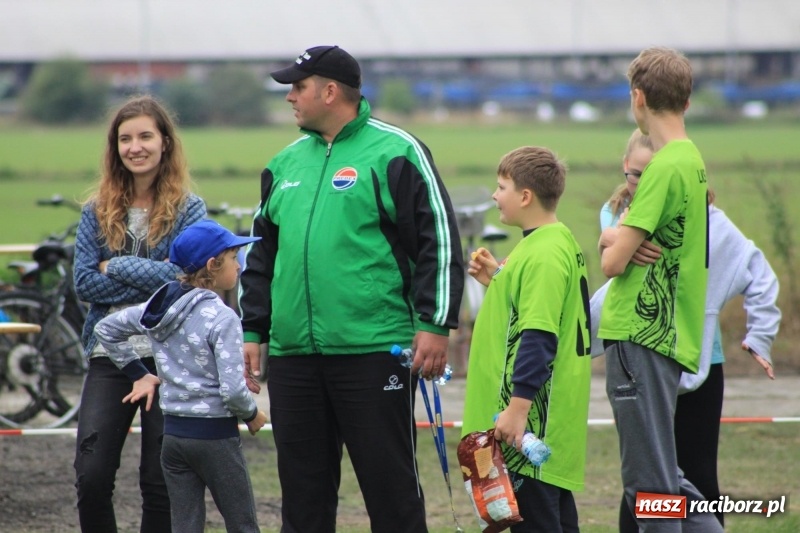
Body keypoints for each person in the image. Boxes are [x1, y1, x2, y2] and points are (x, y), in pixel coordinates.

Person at [238, 45, 464, 532]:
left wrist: (434, 323)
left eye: (297, 88)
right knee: (302, 499)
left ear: (330, 90)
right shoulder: (283, 165)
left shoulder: (396, 150)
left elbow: (438, 240)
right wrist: (253, 329)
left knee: (391, 492)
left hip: (374, 350)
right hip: (295, 356)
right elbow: (260, 255)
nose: (290, 98)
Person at [594, 131, 781, 531]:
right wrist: (612, 237)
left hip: (698, 361)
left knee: (695, 478)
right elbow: (612, 267)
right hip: (642, 357)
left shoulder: (707, 221)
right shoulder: (615, 214)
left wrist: (759, 336)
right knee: (648, 482)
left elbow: (756, 271)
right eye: (634, 175)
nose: (642, 184)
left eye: (652, 175)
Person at [596, 46, 723, 532]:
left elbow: (611, 263)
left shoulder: (662, 167)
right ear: (687, 102)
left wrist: (612, 239)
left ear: (638, 98)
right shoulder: (692, 161)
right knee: (666, 478)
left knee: (648, 488)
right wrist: (621, 239)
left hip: (638, 336)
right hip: (669, 334)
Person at [72, 95, 207, 533]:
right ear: (115, 148)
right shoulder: (95, 210)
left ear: (165, 142)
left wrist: (118, 265)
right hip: (111, 356)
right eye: (125, 139)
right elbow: (84, 283)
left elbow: (185, 280)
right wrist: (158, 273)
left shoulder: (190, 209)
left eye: (145, 136)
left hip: (171, 357)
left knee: (160, 480)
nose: (135, 147)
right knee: (91, 476)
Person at [94, 219, 269, 533]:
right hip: (215, 438)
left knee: (185, 525)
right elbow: (231, 392)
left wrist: (139, 373)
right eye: (233, 259)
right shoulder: (223, 317)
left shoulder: (158, 307)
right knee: (242, 523)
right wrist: (253, 414)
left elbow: (105, 329)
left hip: (173, 439)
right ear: (213, 265)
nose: (239, 267)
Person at [462, 146, 592, 532]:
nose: (493, 195)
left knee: (537, 522)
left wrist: (517, 410)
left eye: (501, 187)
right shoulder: (547, 242)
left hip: (531, 423)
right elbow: (533, 311)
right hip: (537, 421)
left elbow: (539, 335)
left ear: (525, 196)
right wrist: (499, 283)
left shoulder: (544, 254)